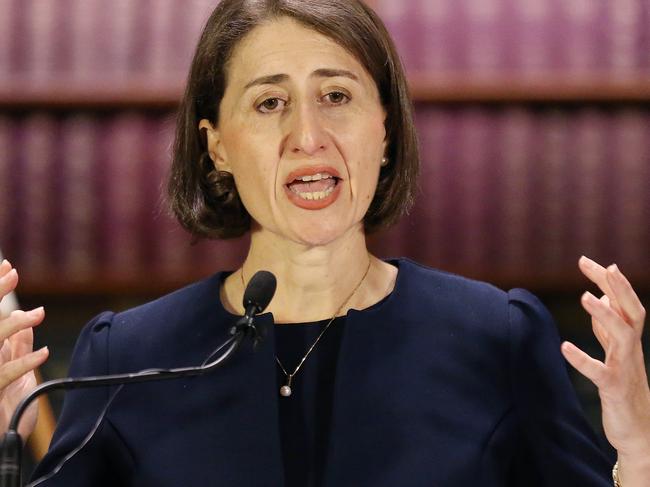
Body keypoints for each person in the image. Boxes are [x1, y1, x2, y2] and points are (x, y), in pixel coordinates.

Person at [1, 1, 649, 485]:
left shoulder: (498, 336)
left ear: (385, 127)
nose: (308, 134)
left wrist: (640, 450)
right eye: (269, 103)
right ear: (215, 144)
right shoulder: (125, 355)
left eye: (336, 95)